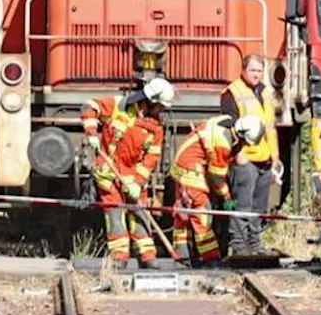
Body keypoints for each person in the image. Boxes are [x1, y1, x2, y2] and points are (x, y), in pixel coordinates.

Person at [88, 78, 176, 269]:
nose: (162, 111)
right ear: (151, 101)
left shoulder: (156, 129)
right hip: (109, 174)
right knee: (115, 214)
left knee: (141, 215)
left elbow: (151, 159)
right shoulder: (119, 106)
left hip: (133, 179)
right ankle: (119, 258)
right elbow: (90, 107)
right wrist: (91, 133)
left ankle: (148, 257)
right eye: (160, 106)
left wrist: (137, 182)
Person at [168, 114, 265, 267]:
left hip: (183, 167)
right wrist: (226, 196)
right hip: (191, 171)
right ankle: (210, 259)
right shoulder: (223, 142)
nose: (245, 145)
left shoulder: (226, 122)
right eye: (246, 142)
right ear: (242, 134)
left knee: (184, 217)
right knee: (202, 215)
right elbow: (216, 177)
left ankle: (183, 257)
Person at [219, 54, 280, 256]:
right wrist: (239, 154)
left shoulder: (265, 92)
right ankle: (239, 246)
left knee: (258, 207)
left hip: (265, 158)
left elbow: (270, 127)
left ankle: (255, 246)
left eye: (260, 71)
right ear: (243, 70)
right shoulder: (232, 93)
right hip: (246, 158)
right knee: (242, 206)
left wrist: (275, 156)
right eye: (253, 70)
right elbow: (229, 127)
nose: (257, 74)